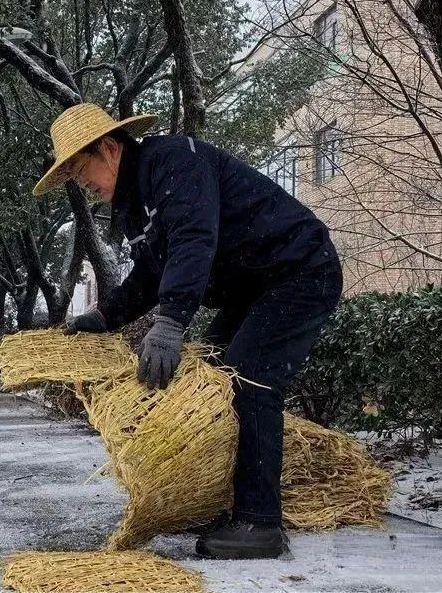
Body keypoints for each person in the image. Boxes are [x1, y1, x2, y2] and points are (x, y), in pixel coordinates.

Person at [39, 103, 342, 560]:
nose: (86, 187)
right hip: (253, 289)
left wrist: (170, 324)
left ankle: (259, 523)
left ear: (109, 148)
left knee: (248, 380)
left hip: (298, 271)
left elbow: (193, 238)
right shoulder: (135, 205)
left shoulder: (176, 162)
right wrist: (105, 317)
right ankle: (228, 500)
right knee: (209, 385)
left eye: (84, 173)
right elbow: (148, 273)